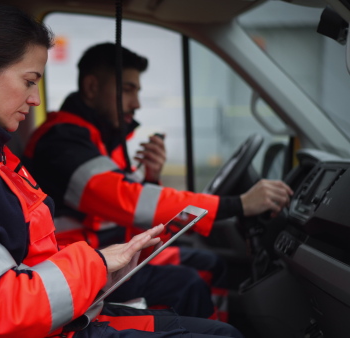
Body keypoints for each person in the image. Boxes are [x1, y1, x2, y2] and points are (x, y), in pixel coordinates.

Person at [0, 4, 243, 338]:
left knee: (219, 329)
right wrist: (99, 265)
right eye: (29, 82)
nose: (35, 100)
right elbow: (0, 308)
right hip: (56, 321)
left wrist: (103, 269)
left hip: (70, 310)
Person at [23, 42, 295, 322]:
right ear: (92, 88)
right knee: (189, 284)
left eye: (137, 91)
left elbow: (121, 205)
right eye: (127, 90)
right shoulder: (62, 141)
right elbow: (127, 200)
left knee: (210, 264)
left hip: (107, 252)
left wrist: (150, 177)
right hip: (77, 266)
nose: (137, 103)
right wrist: (238, 204)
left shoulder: (98, 137)